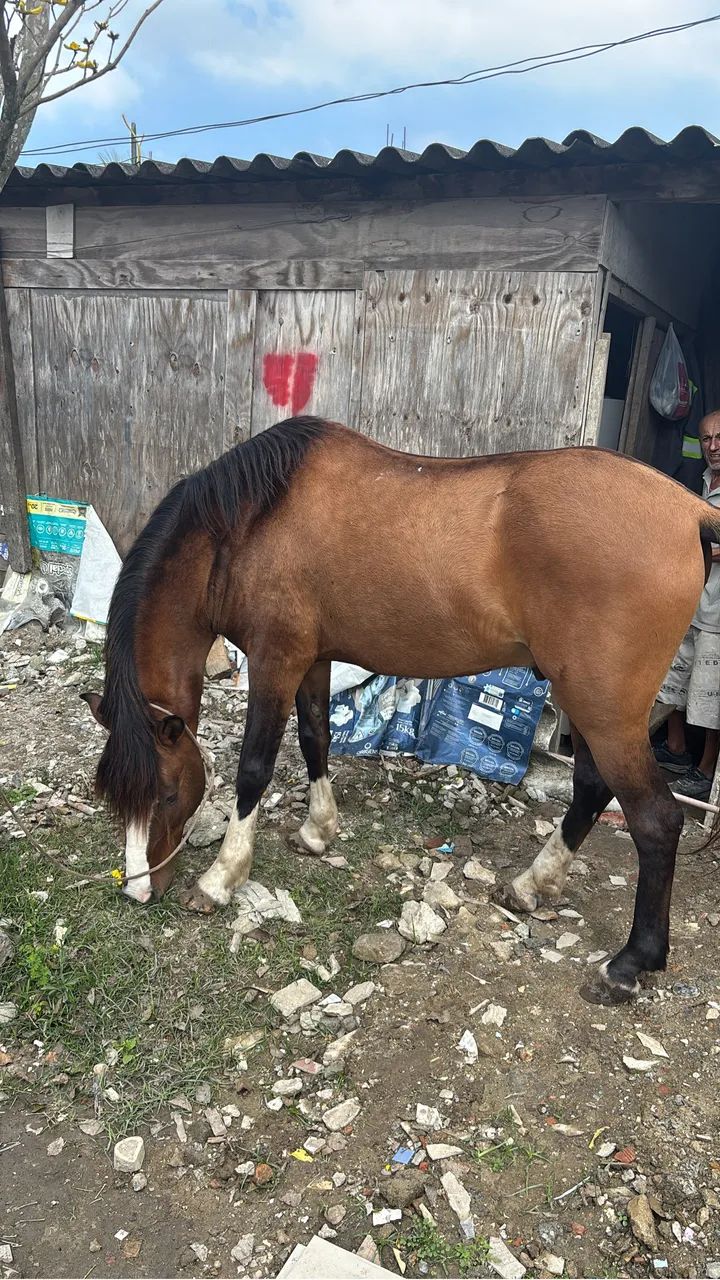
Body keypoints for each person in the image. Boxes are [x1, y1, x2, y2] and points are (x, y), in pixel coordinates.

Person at [655, 409, 720, 799]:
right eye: (708, 439)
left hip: (717, 614)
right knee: (674, 682)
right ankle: (676, 750)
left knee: (711, 696)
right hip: (691, 603)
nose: (714, 447)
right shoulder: (702, 483)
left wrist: (696, 553)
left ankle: (705, 769)